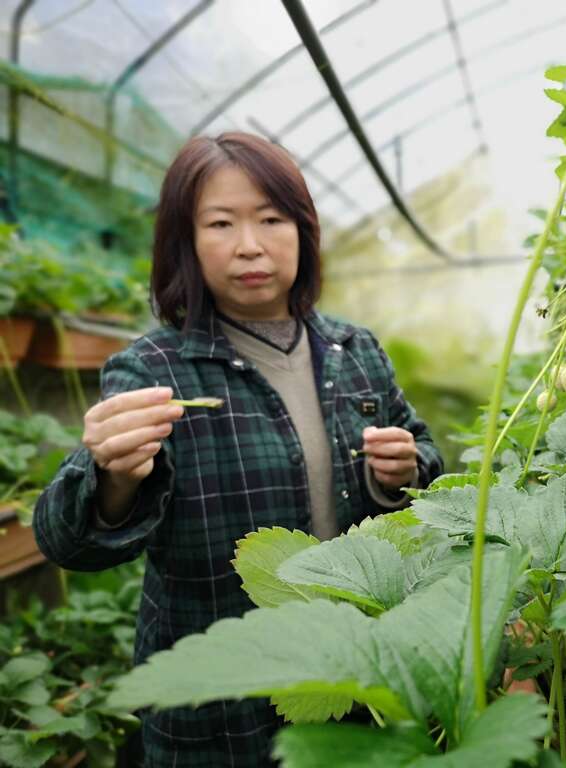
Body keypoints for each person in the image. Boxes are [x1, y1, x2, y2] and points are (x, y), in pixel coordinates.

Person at [32, 132, 444, 767]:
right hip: (222, 704)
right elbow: (66, 542)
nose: (250, 245)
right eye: (221, 223)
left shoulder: (355, 351)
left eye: (271, 219)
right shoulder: (154, 368)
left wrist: (403, 471)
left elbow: (424, 459)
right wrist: (113, 476)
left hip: (356, 673)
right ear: (187, 242)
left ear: (303, 231)